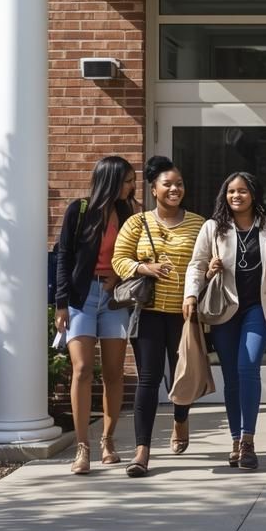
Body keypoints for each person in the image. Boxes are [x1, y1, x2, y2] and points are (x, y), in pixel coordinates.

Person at [184, 172, 266, 471]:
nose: (236, 196)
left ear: (254, 194)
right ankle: (235, 440)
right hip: (225, 308)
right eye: (231, 191)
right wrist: (191, 295)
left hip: (260, 308)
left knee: (247, 366)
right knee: (232, 374)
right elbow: (196, 265)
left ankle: (248, 441)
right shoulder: (213, 227)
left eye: (242, 191)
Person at [111, 155, 205, 478]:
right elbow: (118, 260)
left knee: (181, 377)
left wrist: (211, 270)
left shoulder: (198, 224)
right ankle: (142, 452)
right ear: (154, 189)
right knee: (149, 380)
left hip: (185, 315)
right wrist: (143, 267)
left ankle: (180, 418)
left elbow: (207, 258)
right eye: (168, 184)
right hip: (148, 313)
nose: (174, 189)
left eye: (179, 184)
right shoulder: (137, 223)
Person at [53, 156, 138, 475]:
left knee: (114, 373)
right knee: (83, 369)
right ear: (112, 180)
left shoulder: (129, 213)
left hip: (114, 297)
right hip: (80, 298)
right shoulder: (80, 210)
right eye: (128, 180)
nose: (132, 186)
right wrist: (61, 303)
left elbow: (135, 254)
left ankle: (108, 441)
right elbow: (63, 256)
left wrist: (119, 276)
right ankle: (82, 448)